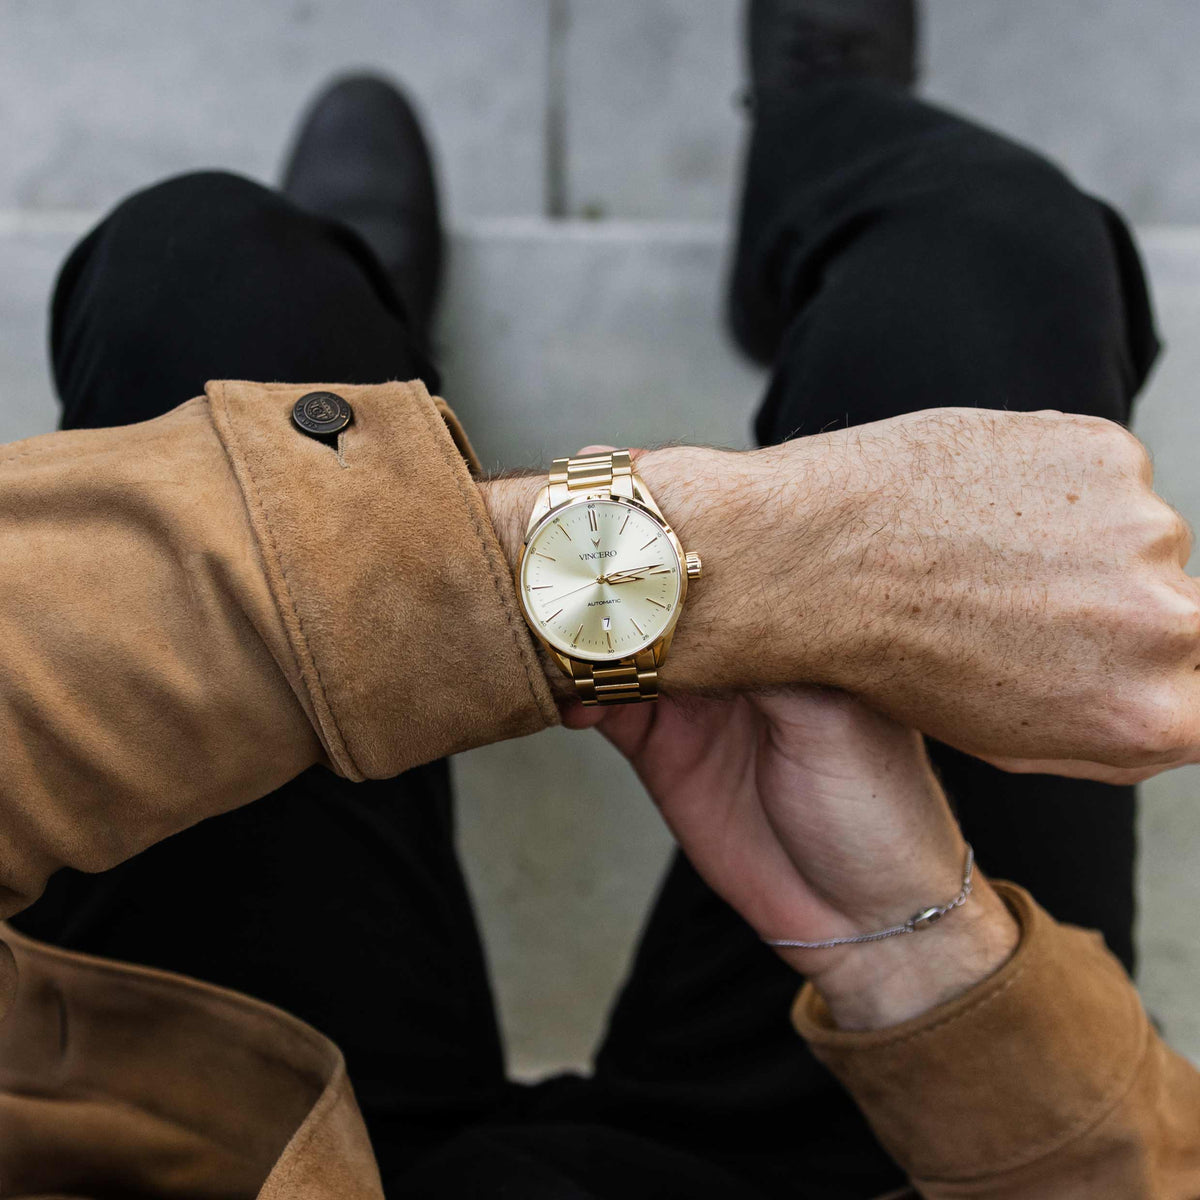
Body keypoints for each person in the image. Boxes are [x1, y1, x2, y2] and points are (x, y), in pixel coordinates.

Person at [1, 1, 1199, 1196]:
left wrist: (550, 562)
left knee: (202, 266)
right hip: (881, 1154)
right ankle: (819, 129)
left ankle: (356, 373)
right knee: (997, 244)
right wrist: (929, 962)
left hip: (185, 1131)